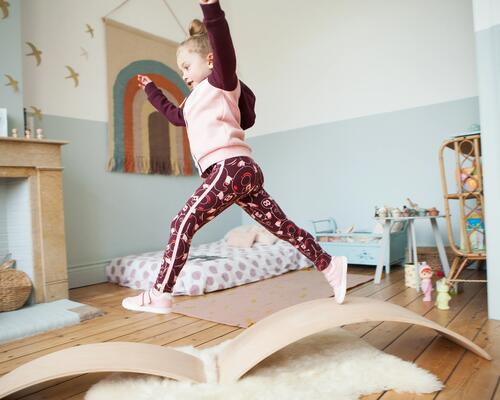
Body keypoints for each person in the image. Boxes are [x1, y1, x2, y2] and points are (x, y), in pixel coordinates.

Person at [122, 0, 348, 314]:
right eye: (180, 70)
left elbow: (223, 42)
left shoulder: (221, 82)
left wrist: (210, 8)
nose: (184, 74)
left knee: (181, 224)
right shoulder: (193, 101)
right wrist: (152, 91)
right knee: (283, 227)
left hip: (229, 168)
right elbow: (175, 116)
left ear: (210, 60)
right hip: (242, 173)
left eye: (187, 67)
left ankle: (160, 293)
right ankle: (330, 264)